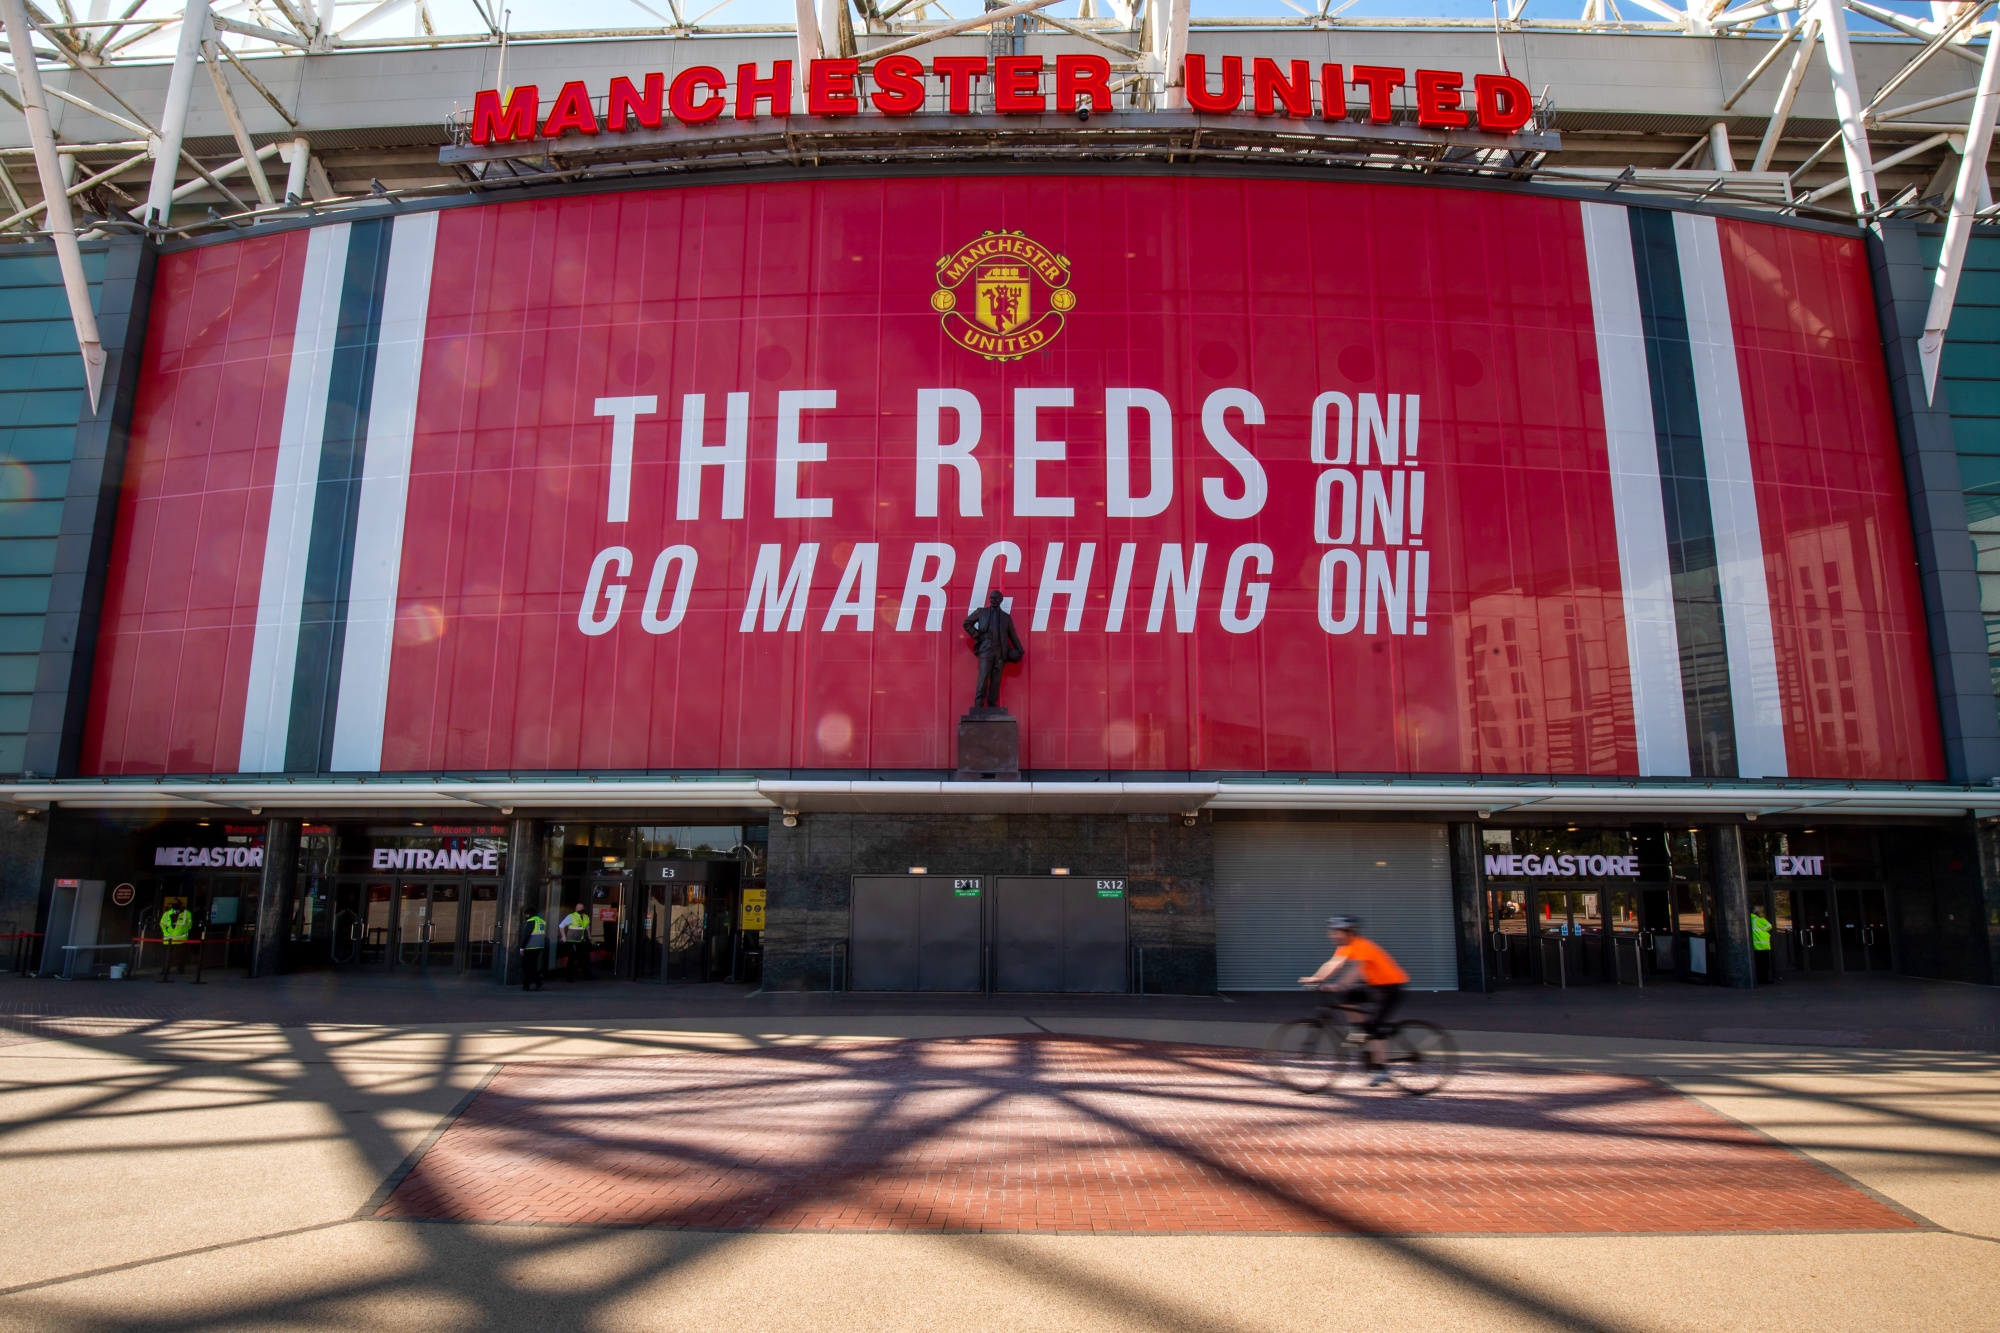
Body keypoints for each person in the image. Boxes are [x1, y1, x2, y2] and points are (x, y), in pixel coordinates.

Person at [1299, 915, 1410, 1087]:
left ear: (1347, 932)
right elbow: (1333, 964)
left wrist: (1338, 985)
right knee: (1348, 996)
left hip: (1391, 987)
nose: (1332, 935)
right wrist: (1315, 978)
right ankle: (1360, 1030)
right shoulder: (1345, 947)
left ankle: (1381, 1070)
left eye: (1336, 932)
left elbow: (1356, 971)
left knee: (1375, 1028)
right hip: (1374, 986)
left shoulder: (1363, 945)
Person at [560, 903, 593, 981]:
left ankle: (587, 975)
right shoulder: (571, 916)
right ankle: (569, 977)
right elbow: (561, 926)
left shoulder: (586, 917)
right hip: (572, 941)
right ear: (576, 909)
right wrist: (564, 937)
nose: (581, 909)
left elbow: (587, 927)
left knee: (585, 958)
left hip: (582, 940)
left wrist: (590, 937)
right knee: (572, 958)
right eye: (579, 908)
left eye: (582, 908)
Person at [159, 902, 193, 977]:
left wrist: (181, 932)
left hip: (180, 939)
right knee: (167, 956)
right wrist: (166, 932)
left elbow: (189, 925)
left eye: (177, 910)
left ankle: (180, 970)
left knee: (180, 956)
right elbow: (162, 925)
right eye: (174, 910)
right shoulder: (167, 914)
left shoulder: (187, 914)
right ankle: (165, 970)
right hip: (169, 938)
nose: (176, 912)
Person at [519, 908, 548, 991]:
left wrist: (522, 947)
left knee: (526, 966)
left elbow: (527, 934)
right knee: (531, 966)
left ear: (528, 914)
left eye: (526, 915)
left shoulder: (531, 921)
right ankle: (530, 983)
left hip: (531, 946)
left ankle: (535, 981)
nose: (526, 916)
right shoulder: (541, 921)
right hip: (539, 946)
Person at [1750, 904, 1775, 984]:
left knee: (1756, 964)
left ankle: (1757, 978)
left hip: (1753, 946)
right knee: (1764, 965)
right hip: (1761, 946)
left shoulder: (1747, 919)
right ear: (1756, 911)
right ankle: (1763, 979)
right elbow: (1769, 926)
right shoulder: (1757, 919)